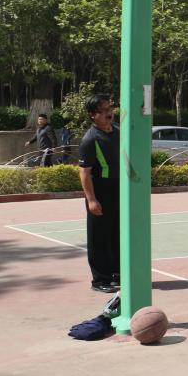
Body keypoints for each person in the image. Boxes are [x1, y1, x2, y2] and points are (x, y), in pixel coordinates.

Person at [77, 95, 120, 293]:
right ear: (92, 115)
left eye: (109, 109)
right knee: (99, 237)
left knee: (116, 233)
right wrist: (91, 200)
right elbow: (84, 172)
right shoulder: (90, 139)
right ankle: (100, 279)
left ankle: (116, 273)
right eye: (103, 111)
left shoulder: (118, 131)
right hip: (100, 189)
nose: (108, 113)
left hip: (119, 188)